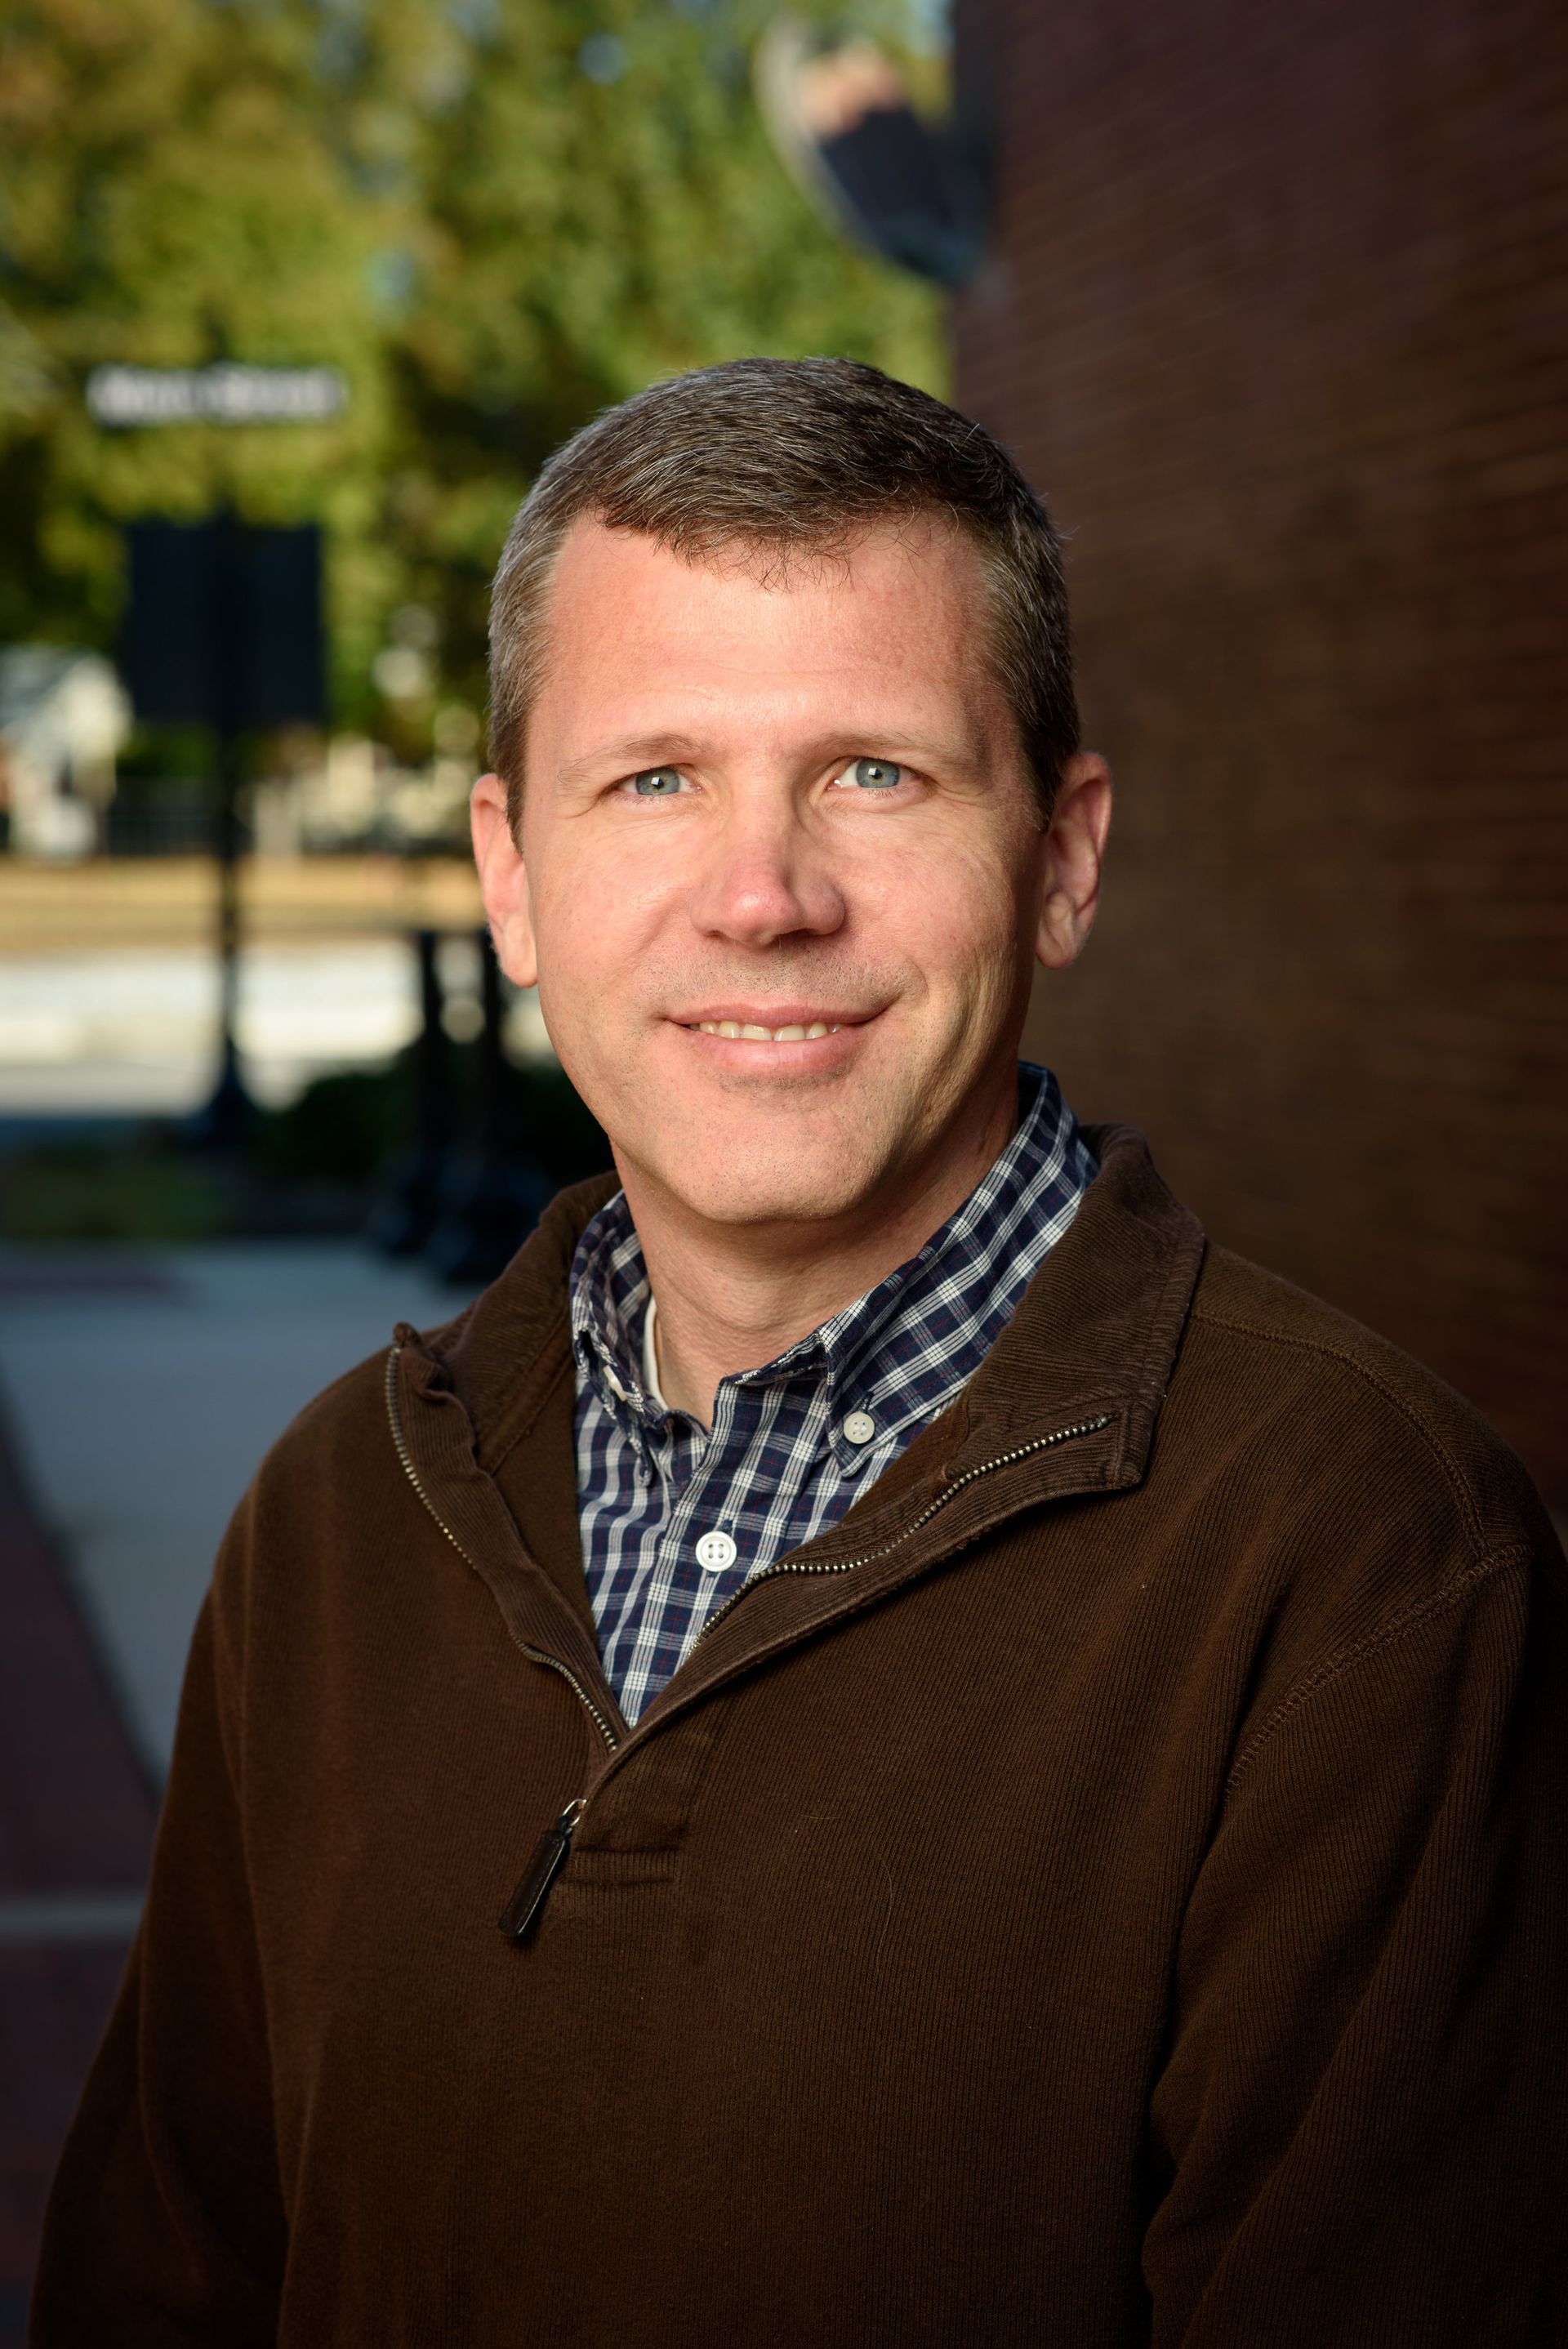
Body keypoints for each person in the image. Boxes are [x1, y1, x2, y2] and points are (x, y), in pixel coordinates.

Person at [34, 359, 1566, 2346]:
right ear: (513, 870)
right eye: (654, 777)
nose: (763, 898)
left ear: (1066, 853)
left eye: (876, 773)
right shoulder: (342, 1510)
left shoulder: (1359, 1567)